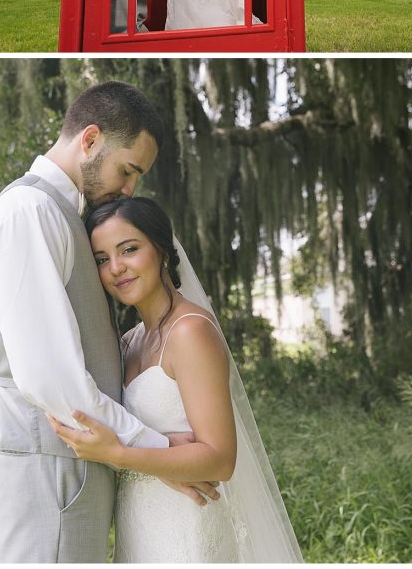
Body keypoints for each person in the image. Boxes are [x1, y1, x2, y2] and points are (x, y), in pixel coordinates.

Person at [0, 81, 212, 566]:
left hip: (74, 460)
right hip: (50, 462)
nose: (129, 190)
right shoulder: (29, 211)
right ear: (90, 139)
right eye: (128, 170)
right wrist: (155, 449)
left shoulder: (61, 213)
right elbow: (49, 376)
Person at [50, 194, 302, 561]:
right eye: (102, 260)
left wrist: (121, 455)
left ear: (163, 251)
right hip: (140, 522)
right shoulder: (129, 342)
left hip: (187, 527)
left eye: (129, 249)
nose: (116, 268)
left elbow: (219, 460)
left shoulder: (190, 332)